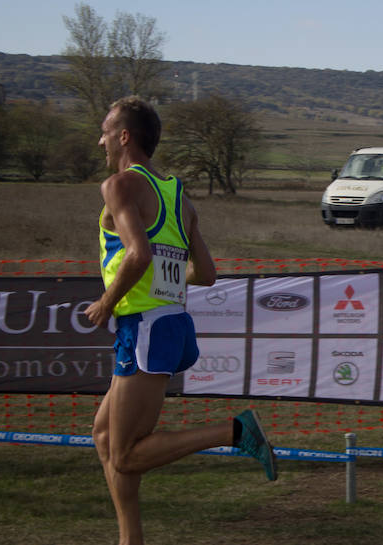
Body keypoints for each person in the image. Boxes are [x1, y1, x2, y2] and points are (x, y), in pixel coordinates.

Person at [85, 96, 277, 545]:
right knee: (104, 437)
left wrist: (106, 303)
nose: (101, 140)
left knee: (127, 454)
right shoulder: (179, 197)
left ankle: (234, 431)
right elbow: (206, 274)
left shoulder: (119, 185)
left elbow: (138, 253)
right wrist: (160, 281)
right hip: (168, 323)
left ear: (125, 137)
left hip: (145, 329)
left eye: (106, 131)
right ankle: (130, 538)